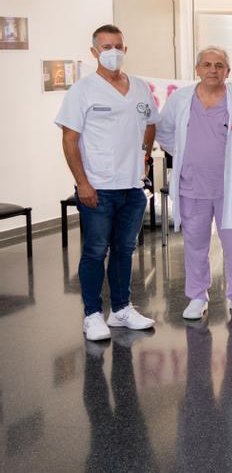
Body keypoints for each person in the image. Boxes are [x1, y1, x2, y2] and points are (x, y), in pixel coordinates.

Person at [56, 24, 158, 341]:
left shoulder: (140, 87)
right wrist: (82, 183)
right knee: (95, 251)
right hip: (97, 187)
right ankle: (92, 315)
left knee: (124, 250)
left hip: (132, 186)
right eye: (105, 47)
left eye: (117, 46)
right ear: (94, 52)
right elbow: (69, 140)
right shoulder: (82, 90)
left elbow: (151, 123)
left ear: (125, 50)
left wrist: (143, 155)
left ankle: (121, 309)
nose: (112, 52)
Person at [156, 47, 232, 320]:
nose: (213, 70)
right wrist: (184, 153)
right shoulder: (180, 99)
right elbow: (164, 132)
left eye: (219, 65)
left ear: (228, 71)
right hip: (192, 184)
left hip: (228, 187)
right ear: (197, 69)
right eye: (207, 64)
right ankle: (197, 296)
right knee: (195, 243)